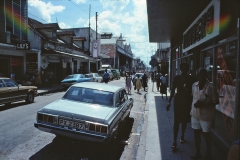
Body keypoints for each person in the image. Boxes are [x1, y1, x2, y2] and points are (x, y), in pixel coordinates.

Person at [166, 63, 195, 150]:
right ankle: (174, 140)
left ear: (188, 69)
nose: (185, 70)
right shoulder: (177, 78)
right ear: (181, 69)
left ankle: (182, 135)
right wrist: (169, 102)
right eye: (183, 68)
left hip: (187, 102)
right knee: (177, 121)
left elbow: (194, 92)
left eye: (186, 68)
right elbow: (172, 90)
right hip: (178, 101)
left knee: (185, 120)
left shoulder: (191, 79)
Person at [190, 68, 218, 160]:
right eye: (199, 74)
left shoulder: (211, 86)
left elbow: (215, 101)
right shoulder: (194, 85)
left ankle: (208, 153)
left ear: (206, 75)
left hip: (206, 115)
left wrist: (204, 104)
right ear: (197, 75)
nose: (201, 76)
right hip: (195, 114)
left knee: (206, 135)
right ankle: (197, 153)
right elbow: (193, 97)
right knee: (196, 134)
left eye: (203, 74)